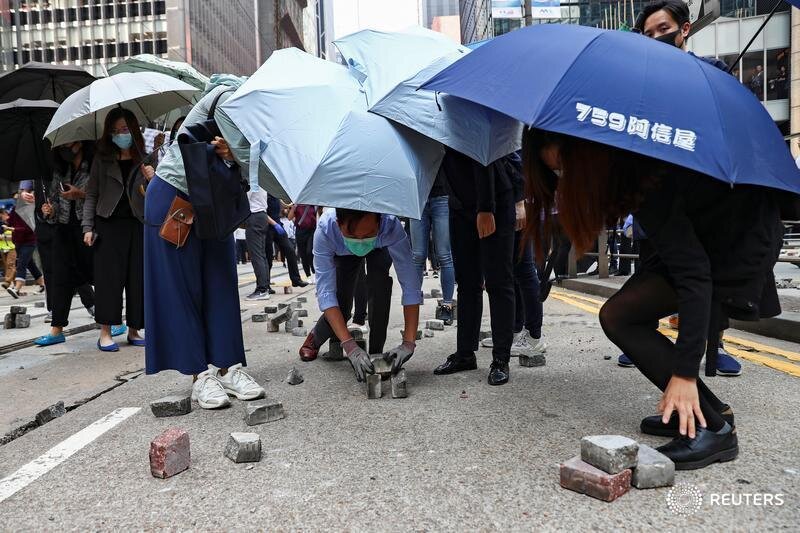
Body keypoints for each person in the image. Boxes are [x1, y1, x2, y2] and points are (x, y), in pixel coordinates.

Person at [524, 127, 784, 470]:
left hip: (735, 243)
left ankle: (716, 432)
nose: (565, 179)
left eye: (566, 168)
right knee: (621, 314)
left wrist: (685, 374)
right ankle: (711, 411)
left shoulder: (642, 177)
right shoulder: (624, 167)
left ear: (586, 155)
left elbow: (694, 277)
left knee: (619, 317)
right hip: (709, 234)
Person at [627, 0, 742, 377]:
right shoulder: (642, 84)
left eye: (663, 29)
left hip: (702, 194)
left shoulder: (713, 73)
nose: (657, 38)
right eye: (648, 34)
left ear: (685, 29)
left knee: (701, 274)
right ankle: (648, 332)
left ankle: (714, 345)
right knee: (654, 267)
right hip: (656, 195)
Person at [146, 77, 265, 409]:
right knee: (184, 288)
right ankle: (200, 376)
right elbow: (252, 159)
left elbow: (241, 157)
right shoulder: (230, 97)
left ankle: (228, 368)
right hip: (176, 196)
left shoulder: (254, 113)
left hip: (213, 201)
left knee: (220, 283)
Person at [298, 208, 422, 382]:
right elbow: (326, 293)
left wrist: (409, 342)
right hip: (342, 251)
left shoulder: (390, 225)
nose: (362, 241)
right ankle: (315, 337)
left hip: (379, 248)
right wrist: (350, 347)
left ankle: (376, 353)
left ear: (379, 221)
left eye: (369, 233)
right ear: (339, 224)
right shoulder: (326, 230)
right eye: (354, 235)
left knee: (380, 288)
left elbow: (410, 284)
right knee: (341, 303)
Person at [433, 149, 517, 386]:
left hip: (494, 201)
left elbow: (484, 156)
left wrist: (486, 208)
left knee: (498, 282)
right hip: (460, 205)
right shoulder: (435, 118)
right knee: (467, 283)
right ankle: (465, 354)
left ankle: (501, 358)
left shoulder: (470, 114)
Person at [82, 108, 147, 351]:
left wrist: (152, 176)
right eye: (116, 131)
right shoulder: (102, 159)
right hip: (107, 226)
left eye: (125, 129)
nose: (121, 134)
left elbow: (157, 193)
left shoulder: (144, 157)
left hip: (138, 225)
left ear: (134, 129)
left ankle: (134, 330)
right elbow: (91, 195)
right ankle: (105, 332)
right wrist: (87, 226)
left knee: (137, 279)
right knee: (108, 281)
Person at [34, 141, 96, 346]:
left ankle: (108, 319)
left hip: (88, 228)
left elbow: (102, 196)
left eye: (72, 142)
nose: (68, 146)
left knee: (97, 274)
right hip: (63, 229)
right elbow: (53, 199)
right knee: (60, 278)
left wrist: (80, 194)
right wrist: (48, 212)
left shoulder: (95, 164)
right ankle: (56, 328)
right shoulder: (60, 168)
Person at [409, 169, 455, 325]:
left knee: (444, 255)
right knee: (418, 255)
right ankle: (412, 303)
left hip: (441, 194)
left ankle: (447, 304)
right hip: (418, 195)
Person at [5, 185, 45, 298]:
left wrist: (14, 229)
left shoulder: (29, 210)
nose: (17, 200)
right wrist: (5, 223)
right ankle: (43, 284)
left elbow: (29, 229)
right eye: (16, 198)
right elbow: (10, 221)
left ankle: (17, 288)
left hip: (29, 242)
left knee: (21, 264)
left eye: (19, 198)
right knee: (30, 264)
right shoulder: (15, 209)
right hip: (18, 242)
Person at [289, 203, 318, 282]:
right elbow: (289, 217)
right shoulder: (297, 204)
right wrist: (293, 208)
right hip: (300, 231)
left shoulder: (313, 204)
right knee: (303, 254)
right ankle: (308, 275)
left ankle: (314, 272)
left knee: (310, 251)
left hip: (312, 230)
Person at [0, 209, 15, 289]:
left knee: (10, 265)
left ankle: (7, 282)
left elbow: (16, 233)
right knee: (8, 267)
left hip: (12, 247)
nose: (6, 216)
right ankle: (16, 288)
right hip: (2, 249)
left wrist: (8, 229)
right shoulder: (1, 225)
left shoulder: (11, 223)